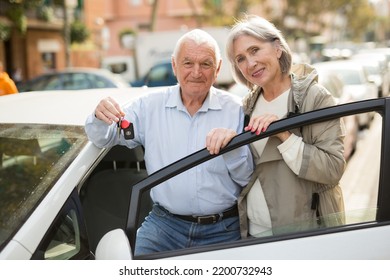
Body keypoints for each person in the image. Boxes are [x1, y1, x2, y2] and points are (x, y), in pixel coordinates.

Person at [85, 29, 254, 255]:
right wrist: (99, 116)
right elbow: (103, 137)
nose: (196, 72)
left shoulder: (237, 110)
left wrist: (232, 148)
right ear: (174, 66)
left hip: (223, 228)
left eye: (205, 64)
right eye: (188, 63)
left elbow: (247, 178)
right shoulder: (148, 107)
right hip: (164, 226)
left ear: (218, 69)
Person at [224, 15, 346, 238]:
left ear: (278, 48)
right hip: (255, 234)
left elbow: (333, 168)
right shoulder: (246, 108)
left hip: (303, 235)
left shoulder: (315, 98)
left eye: (255, 50)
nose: (250, 64)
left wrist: (284, 134)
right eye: (240, 58)